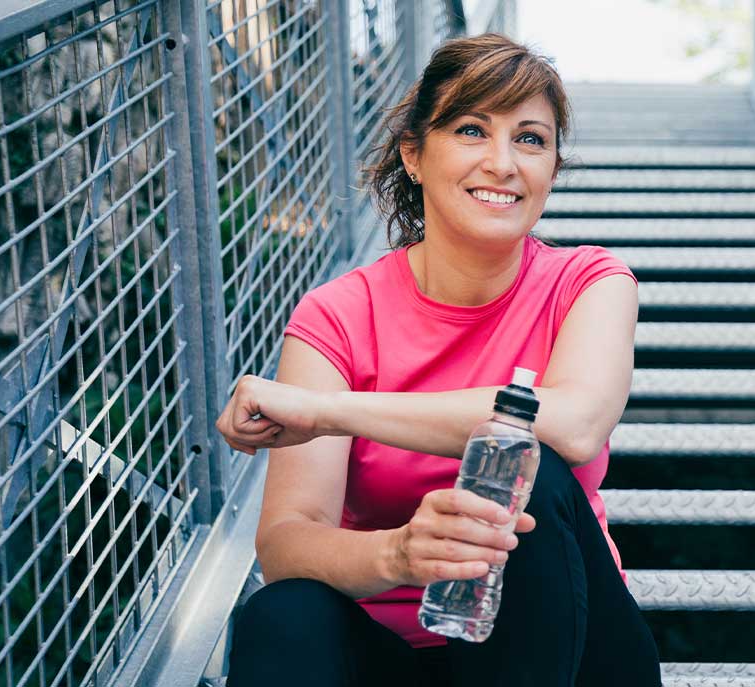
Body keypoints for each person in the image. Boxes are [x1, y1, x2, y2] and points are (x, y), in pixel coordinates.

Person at [216, 33, 662, 687]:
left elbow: (572, 423)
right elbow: (286, 542)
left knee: (524, 469)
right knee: (282, 612)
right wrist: (397, 552)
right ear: (414, 154)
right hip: (398, 651)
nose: (503, 163)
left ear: (553, 169)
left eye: (530, 139)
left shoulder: (590, 281)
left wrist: (327, 409)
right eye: (471, 129)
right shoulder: (339, 314)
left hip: (573, 654)